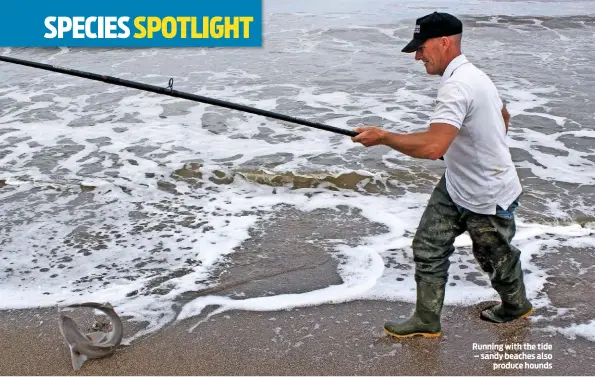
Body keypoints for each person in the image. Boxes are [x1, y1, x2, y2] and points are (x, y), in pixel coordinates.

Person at [351, 11, 533, 338]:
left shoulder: (457, 85)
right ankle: (426, 318)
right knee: (428, 245)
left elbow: (433, 147)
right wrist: (471, 149)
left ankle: (516, 305)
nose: (418, 56)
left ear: (444, 42)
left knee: (495, 256)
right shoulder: (474, 75)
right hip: (456, 184)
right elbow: (502, 116)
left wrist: (383, 137)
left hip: (487, 193)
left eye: (422, 48)